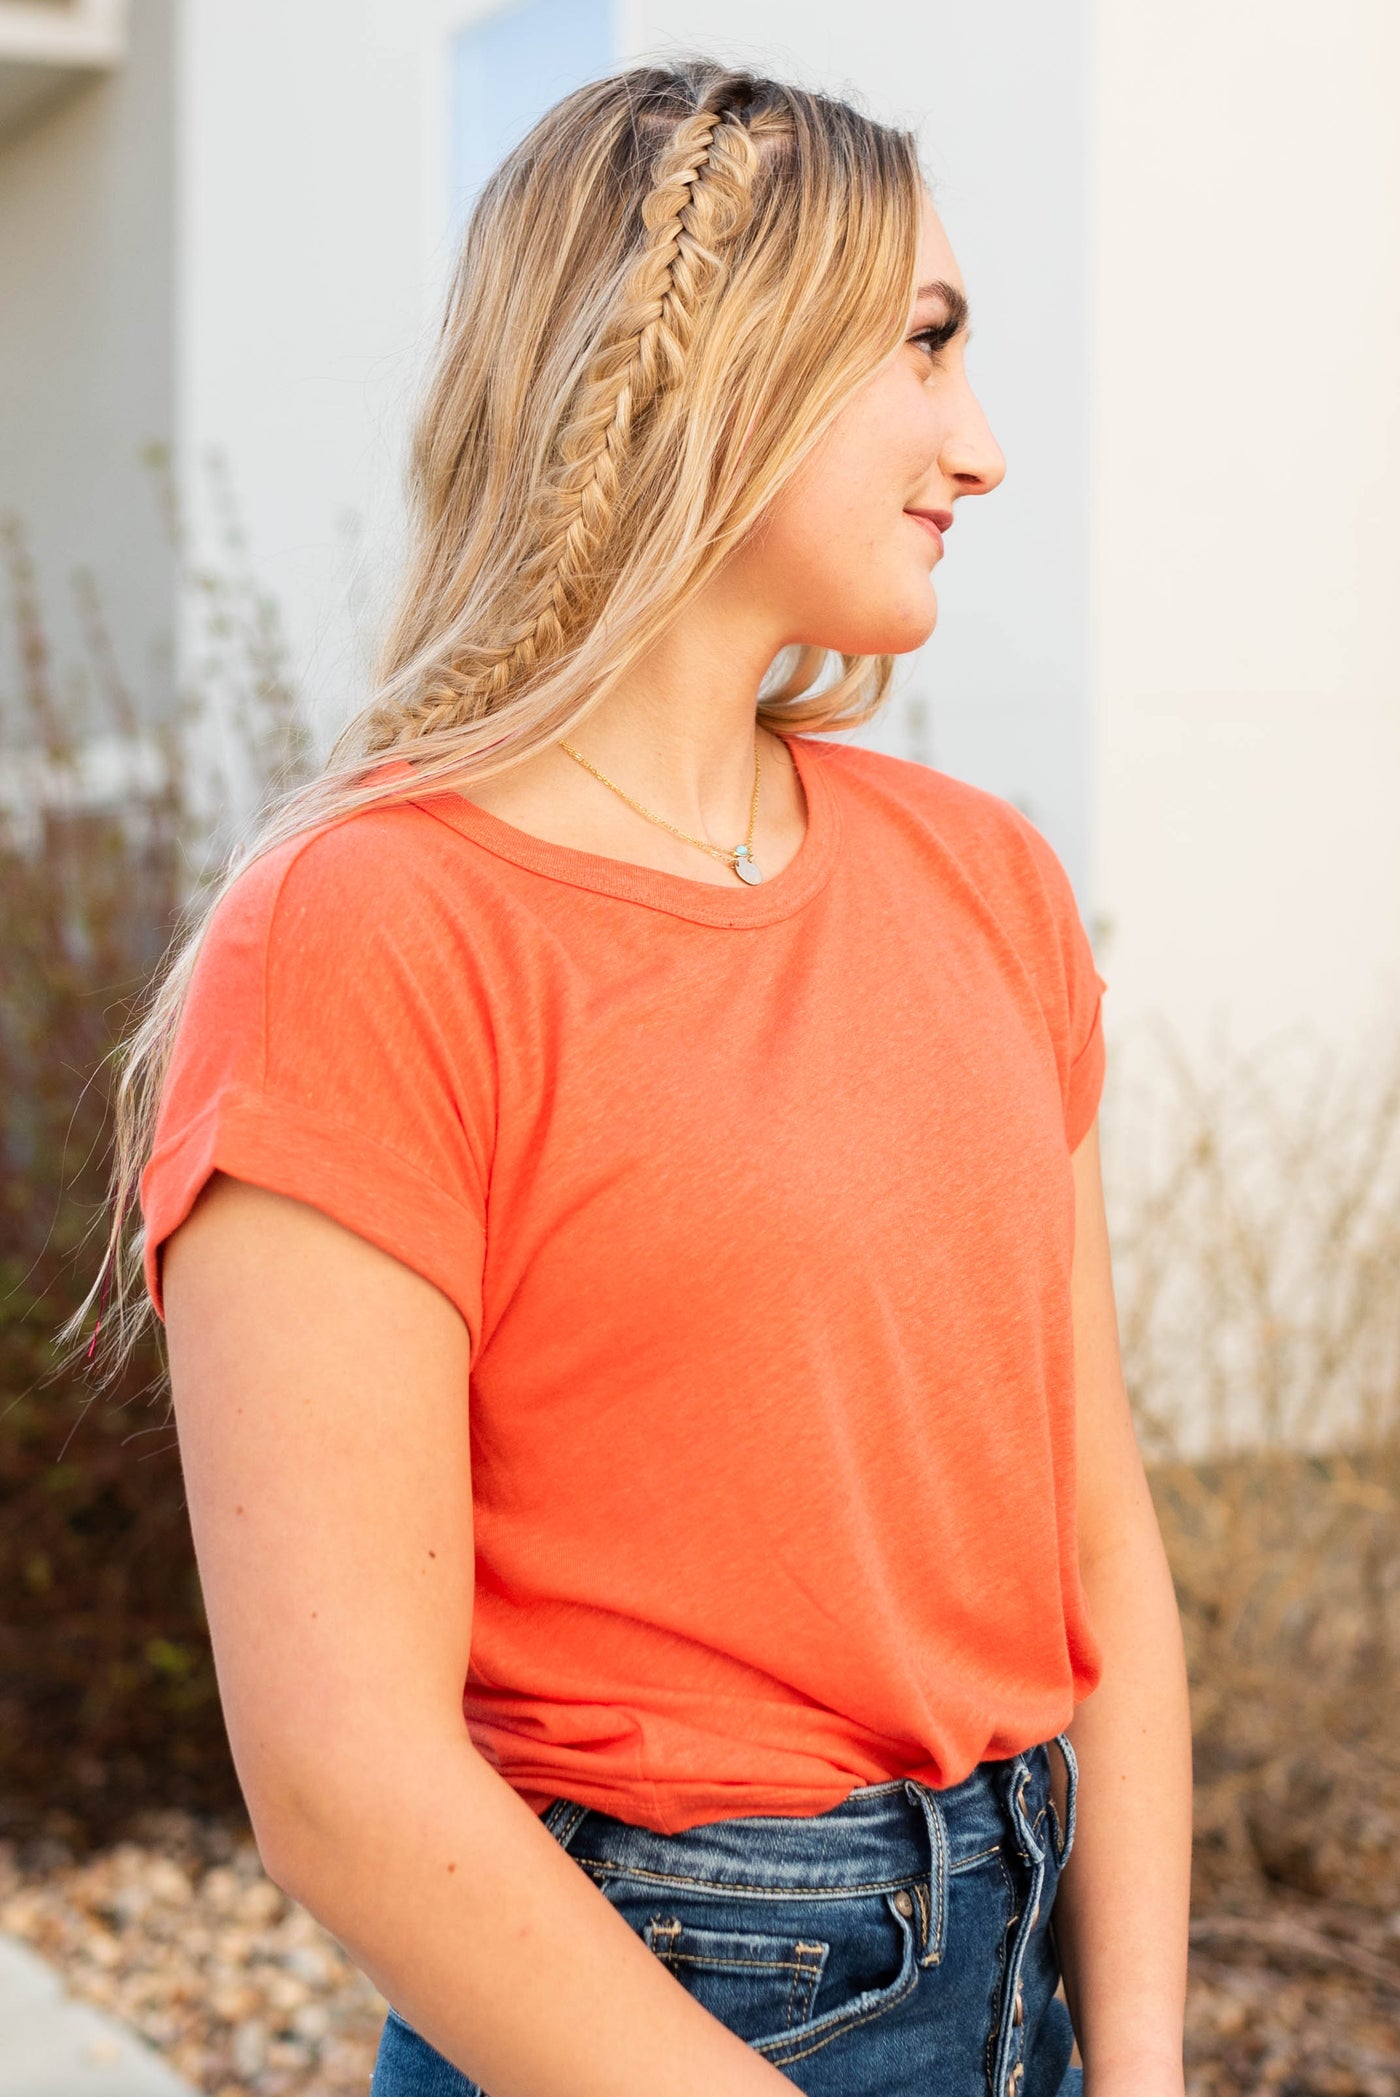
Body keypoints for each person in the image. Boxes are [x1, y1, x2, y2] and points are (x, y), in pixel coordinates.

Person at [86, 57, 1191, 2097]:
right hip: (652, 2009)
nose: (984, 445)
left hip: (1031, 1967)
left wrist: (1137, 2059)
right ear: (720, 367)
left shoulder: (989, 884)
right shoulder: (373, 930)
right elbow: (343, 1770)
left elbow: (1093, 1541)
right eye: (926, 348)